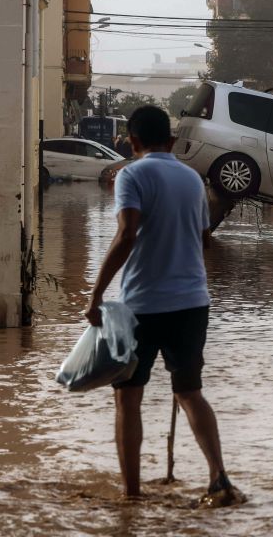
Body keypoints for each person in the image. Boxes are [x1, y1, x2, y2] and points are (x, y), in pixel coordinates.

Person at [85, 105, 243, 506]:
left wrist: (97, 293)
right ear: (171, 141)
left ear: (132, 142)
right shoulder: (192, 178)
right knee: (190, 392)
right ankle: (219, 478)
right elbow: (205, 239)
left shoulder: (131, 175)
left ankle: (132, 496)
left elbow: (125, 235)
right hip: (193, 302)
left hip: (143, 305)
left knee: (128, 396)